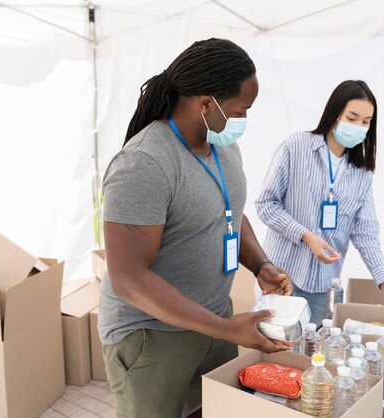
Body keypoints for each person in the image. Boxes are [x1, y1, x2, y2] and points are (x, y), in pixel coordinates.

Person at [98, 38, 292, 418]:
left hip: (215, 324)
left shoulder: (221, 144)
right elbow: (129, 278)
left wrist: (261, 265)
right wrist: (225, 328)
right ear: (206, 104)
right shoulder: (144, 164)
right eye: (240, 110)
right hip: (152, 338)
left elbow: (229, 211)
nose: (244, 120)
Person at [255, 80, 384, 327]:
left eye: (366, 122)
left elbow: (366, 234)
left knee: (310, 359)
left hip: (323, 289)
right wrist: (305, 235)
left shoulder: (362, 174)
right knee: (276, 358)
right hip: (280, 278)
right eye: (353, 117)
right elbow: (266, 204)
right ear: (335, 113)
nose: (358, 126)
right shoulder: (296, 147)